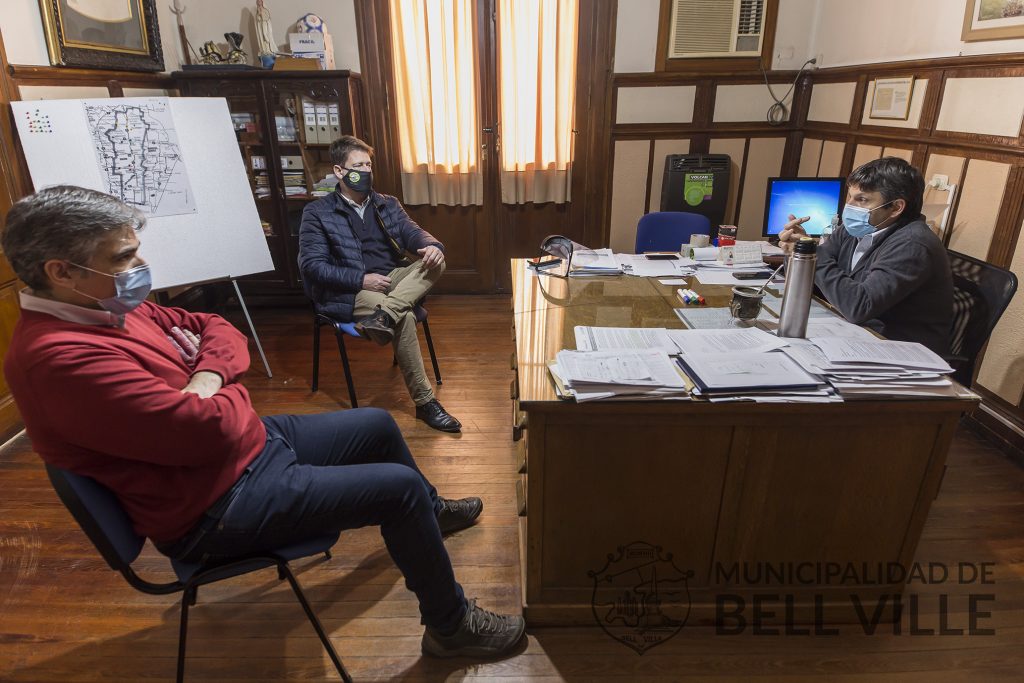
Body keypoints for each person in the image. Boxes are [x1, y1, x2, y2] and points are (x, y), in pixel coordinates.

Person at [1, 185, 525, 659]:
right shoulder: (59, 357)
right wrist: (218, 390)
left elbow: (215, 326)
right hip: (212, 507)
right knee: (399, 487)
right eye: (123, 255)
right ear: (60, 270)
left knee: (375, 424)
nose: (140, 263)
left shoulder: (107, 304)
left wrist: (205, 379)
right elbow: (206, 430)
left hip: (242, 453)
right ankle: (451, 627)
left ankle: (428, 518)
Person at [298, 136, 461, 433]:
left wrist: (431, 245)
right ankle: (425, 403)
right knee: (406, 317)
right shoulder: (317, 213)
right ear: (339, 171)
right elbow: (312, 266)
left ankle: (384, 315)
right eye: (357, 165)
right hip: (350, 290)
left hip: (391, 279)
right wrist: (360, 279)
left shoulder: (387, 203)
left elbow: (413, 233)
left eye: (368, 165)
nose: (366, 171)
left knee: (437, 261)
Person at [778, 157, 952, 356]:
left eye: (862, 200)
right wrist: (798, 251)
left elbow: (858, 307)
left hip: (899, 351)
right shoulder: (857, 228)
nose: (849, 207)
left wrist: (809, 254)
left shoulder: (912, 245)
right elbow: (816, 283)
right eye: (849, 197)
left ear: (896, 207)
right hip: (854, 334)